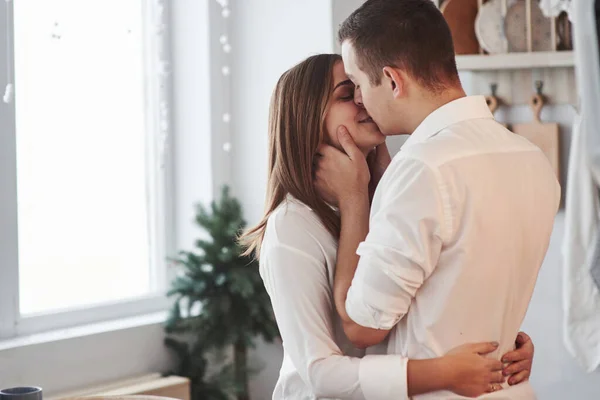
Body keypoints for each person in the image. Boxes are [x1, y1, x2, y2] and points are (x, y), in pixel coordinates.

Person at [240, 53, 535, 400]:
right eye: (346, 94)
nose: (363, 99)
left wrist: (504, 346)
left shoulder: (389, 197)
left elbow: (426, 304)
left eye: (361, 88)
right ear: (306, 117)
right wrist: (444, 372)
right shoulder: (291, 226)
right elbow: (320, 374)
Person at [314, 1, 560, 398]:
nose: (359, 100)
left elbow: (362, 327)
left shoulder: (422, 168)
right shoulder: (532, 157)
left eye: (358, 84)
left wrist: (354, 197)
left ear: (392, 81)